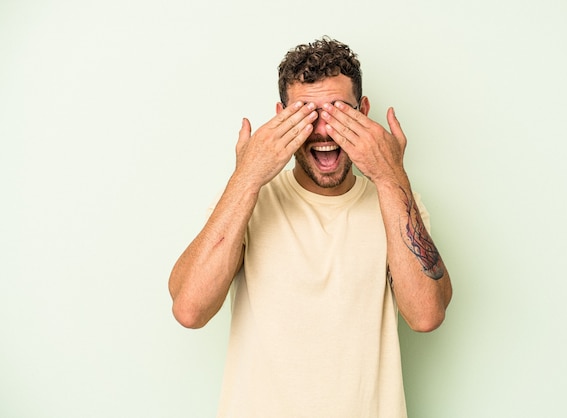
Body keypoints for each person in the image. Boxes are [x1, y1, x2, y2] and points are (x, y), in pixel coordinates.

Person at [168, 37, 452, 417]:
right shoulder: (249, 201)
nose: (322, 129)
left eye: (338, 110)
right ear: (280, 116)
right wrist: (248, 176)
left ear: (363, 111)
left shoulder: (396, 201)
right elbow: (189, 309)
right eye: (305, 113)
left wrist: (390, 176)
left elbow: (426, 315)